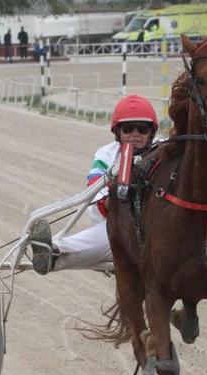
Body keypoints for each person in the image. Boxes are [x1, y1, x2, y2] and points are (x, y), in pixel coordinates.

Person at [29, 94, 159, 274]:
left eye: (142, 129)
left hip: (157, 229)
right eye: (128, 129)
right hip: (118, 228)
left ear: (151, 132)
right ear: (118, 132)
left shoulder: (163, 149)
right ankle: (51, 253)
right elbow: (95, 194)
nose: (135, 135)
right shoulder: (106, 155)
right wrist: (112, 200)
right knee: (105, 238)